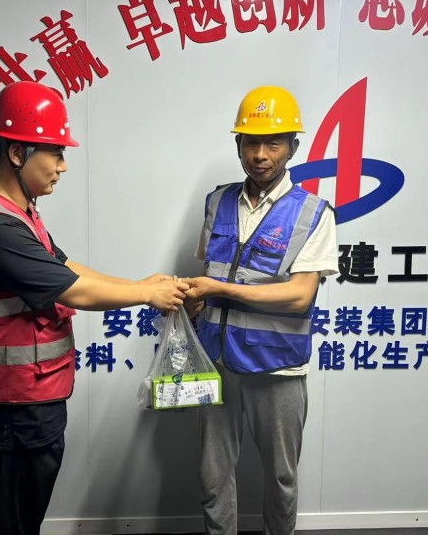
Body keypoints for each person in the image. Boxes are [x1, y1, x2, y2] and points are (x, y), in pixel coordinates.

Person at [0, 81, 188, 535]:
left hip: (26, 400)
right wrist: (147, 295)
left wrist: (142, 284)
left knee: (20, 518)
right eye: (55, 152)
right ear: (16, 152)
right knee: (8, 523)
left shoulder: (18, 214)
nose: (62, 166)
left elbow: (63, 267)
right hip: (9, 407)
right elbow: (73, 290)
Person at [183, 86, 338, 535]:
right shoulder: (217, 201)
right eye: (251, 142)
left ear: (293, 147)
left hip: (278, 368)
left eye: (273, 143)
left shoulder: (313, 214)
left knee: (281, 479)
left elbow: (300, 296)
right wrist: (191, 299)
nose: (260, 155)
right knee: (212, 478)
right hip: (217, 362)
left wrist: (218, 288)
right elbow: (209, 273)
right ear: (238, 144)